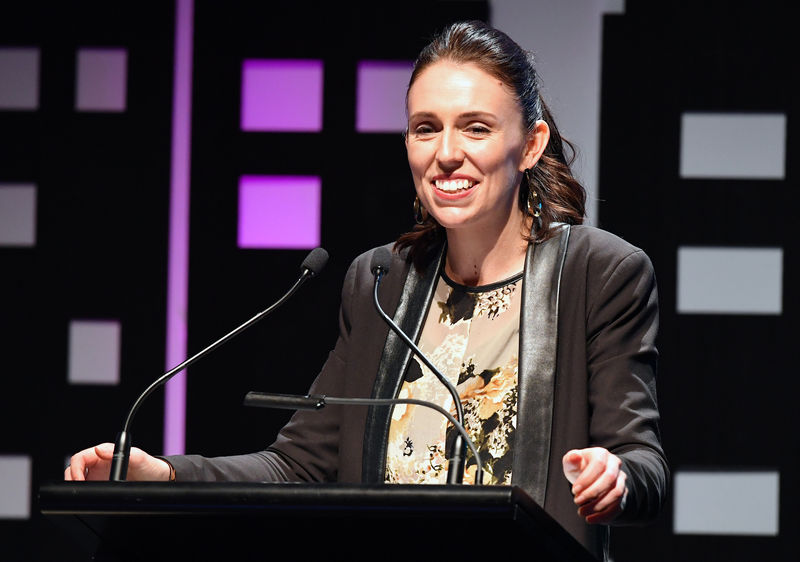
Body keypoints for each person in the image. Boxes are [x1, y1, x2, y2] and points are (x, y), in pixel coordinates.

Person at [66, 20, 667, 560]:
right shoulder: (383, 280)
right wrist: (165, 478)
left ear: (530, 144)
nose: (447, 154)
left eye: (476, 128)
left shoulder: (600, 274)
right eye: (425, 129)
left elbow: (644, 463)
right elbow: (301, 465)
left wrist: (613, 477)